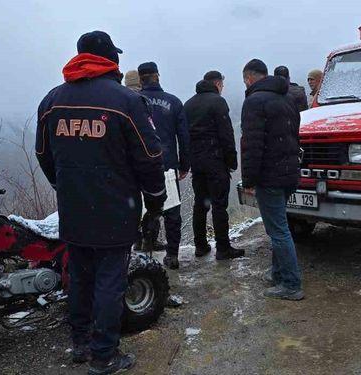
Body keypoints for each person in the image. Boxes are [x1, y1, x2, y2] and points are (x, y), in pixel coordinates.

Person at [36, 31, 166, 374]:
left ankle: (80, 341)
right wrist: (155, 201)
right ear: (111, 59)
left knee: (79, 274)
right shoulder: (126, 101)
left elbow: (43, 154)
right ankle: (104, 355)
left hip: (74, 206)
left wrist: (63, 184)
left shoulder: (52, 101)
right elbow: (150, 157)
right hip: (115, 208)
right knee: (111, 279)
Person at [240, 59, 303, 301]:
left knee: (278, 230)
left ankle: (290, 283)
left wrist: (249, 179)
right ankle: (278, 272)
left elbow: (252, 145)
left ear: (249, 78)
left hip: (270, 176)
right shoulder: (287, 98)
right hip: (289, 173)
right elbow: (294, 135)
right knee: (279, 226)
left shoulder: (254, 102)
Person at [184, 71, 244, 260]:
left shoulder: (189, 104)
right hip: (215, 162)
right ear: (217, 83)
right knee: (219, 205)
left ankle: (200, 246)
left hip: (197, 163)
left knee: (200, 204)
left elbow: (184, 136)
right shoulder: (218, 102)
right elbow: (226, 134)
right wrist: (232, 161)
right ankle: (223, 248)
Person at [138, 61, 190, 270]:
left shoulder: (133, 102)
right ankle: (172, 255)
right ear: (158, 76)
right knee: (172, 212)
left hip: (141, 166)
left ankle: (147, 255)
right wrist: (184, 164)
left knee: (145, 211)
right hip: (167, 164)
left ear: (141, 79)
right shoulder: (174, 102)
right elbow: (184, 137)